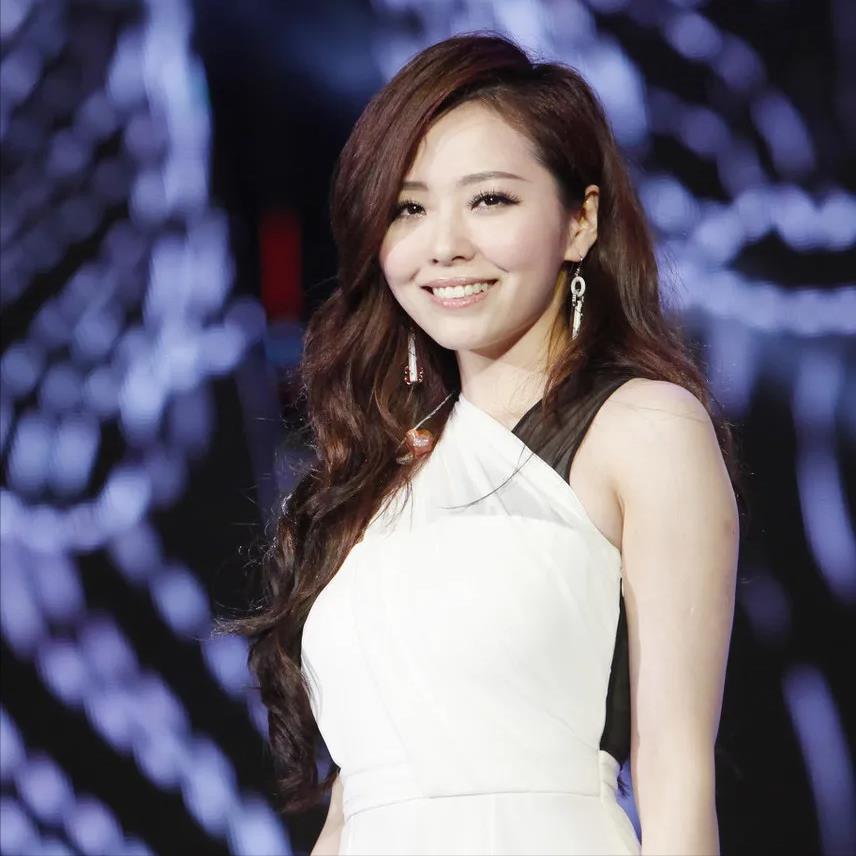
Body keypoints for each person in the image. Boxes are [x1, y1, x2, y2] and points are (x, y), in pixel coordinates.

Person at [223, 31, 743, 856]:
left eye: (490, 200)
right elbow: (357, 803)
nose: (444, 245)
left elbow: (676, 776)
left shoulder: (644, 430)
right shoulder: (380, 470)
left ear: (580, 221)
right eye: (409, 207)